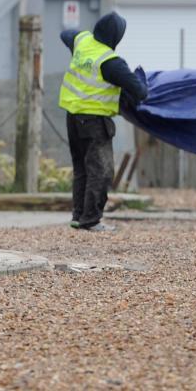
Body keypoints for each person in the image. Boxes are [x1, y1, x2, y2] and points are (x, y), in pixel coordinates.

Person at [60, 12, 147, 232]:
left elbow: (65, 34)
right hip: (94, 122)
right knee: (101, 171)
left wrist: (83, 36)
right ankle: (91, 220)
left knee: (81, 169)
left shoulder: (81, 41)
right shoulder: (111, 63)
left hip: (73, 117)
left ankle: (78, 216)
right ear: (115, 37)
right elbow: (140, 91)